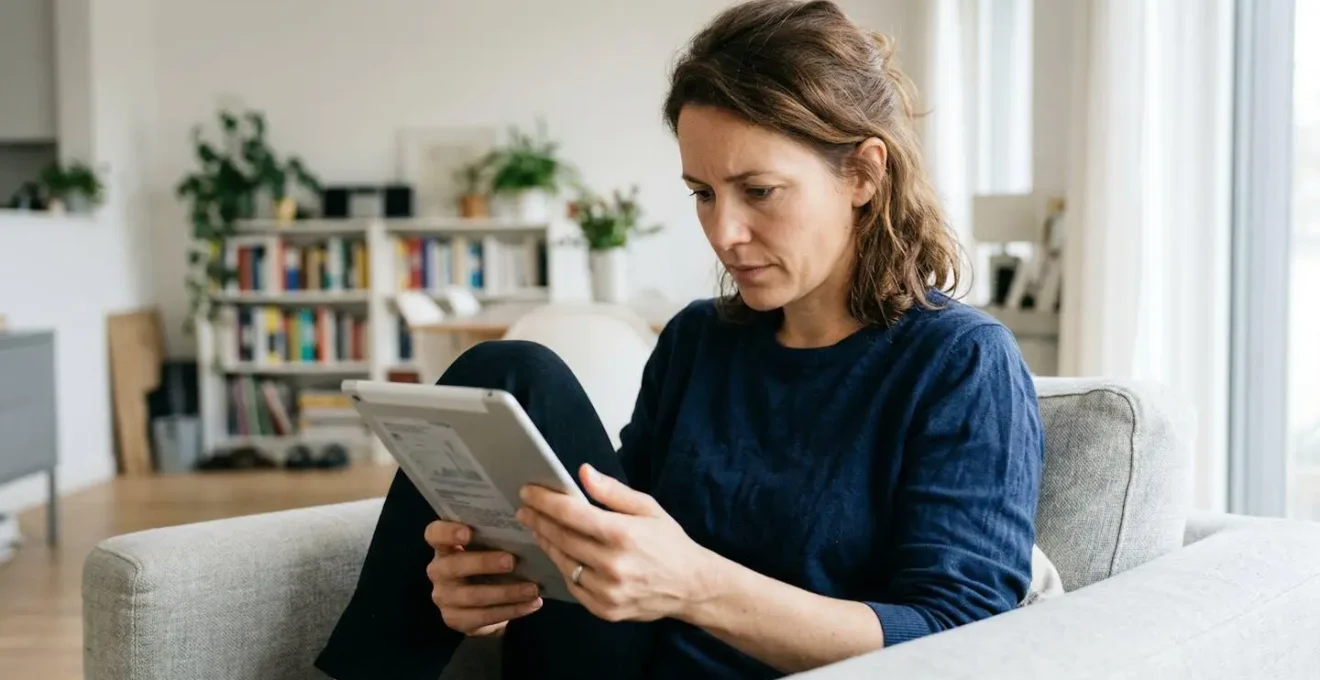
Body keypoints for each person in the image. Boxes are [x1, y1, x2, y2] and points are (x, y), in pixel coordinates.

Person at [314, 0, 1044, 678]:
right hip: (620, 662)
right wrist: (495, 590)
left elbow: (961, 635)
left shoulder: (961, 363)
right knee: (508, 374)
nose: (724, 233)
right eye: (702, 193)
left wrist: (698, 588)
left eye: (759, 190)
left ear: (862, 172)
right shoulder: (698, 338)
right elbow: (615, 542)